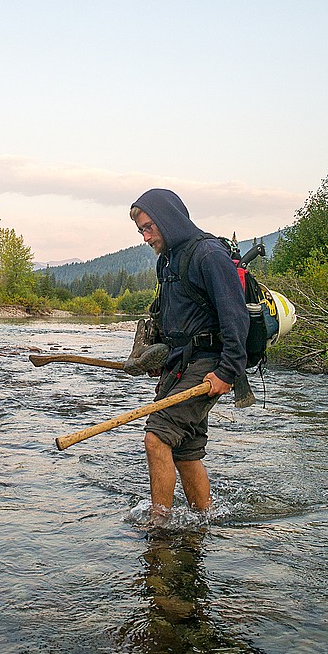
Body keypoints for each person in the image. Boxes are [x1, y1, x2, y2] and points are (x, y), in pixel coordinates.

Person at [129, 188, 248, 519]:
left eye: (149, 227)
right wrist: (153, 357)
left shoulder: (209, 255)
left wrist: (228, 372)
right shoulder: (167, 261)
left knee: (157, 438)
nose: (145, 236)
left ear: (169, 219)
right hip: (179, 366)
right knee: (185, 452)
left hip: (209, 364)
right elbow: (170, 320)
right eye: (141, 230)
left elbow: (235, 317)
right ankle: (204, 520)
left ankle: (160, 526)